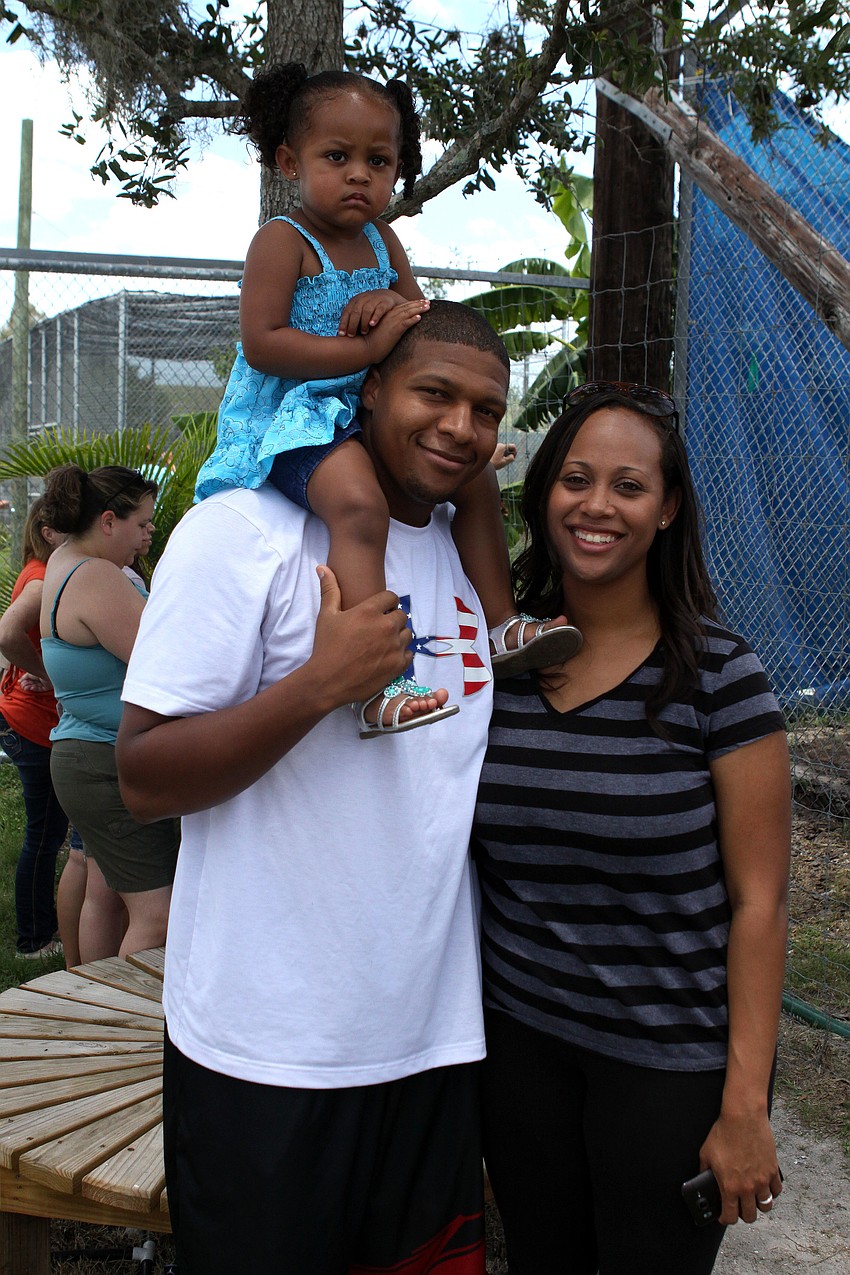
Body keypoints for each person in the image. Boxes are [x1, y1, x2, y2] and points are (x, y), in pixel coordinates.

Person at [117, 302, 511, 1275]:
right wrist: (317, 687)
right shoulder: (241, 532)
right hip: (267, 1052)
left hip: (430, 1043)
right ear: (368, 388)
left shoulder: (461, 560)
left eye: (486, 409)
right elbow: (141, 775)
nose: (461, 426)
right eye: (434, 393)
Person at [472, 382, 791, 1275]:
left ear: (668, 508)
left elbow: (759, 904)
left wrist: (744, 1105)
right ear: (542, 496)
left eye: (629, 485)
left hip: (667, 1066)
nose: (597, 506)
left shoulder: (720, 675)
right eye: (575, 479)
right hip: (520, 1047)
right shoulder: (504, 663)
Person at [194, 62, 580, 734]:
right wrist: (365, 352)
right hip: (295, 420)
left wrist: (389, 305)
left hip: (368, 409)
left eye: (378, 161)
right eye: (336, 157)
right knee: (359, 504)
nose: (359, 176)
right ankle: (374, 684)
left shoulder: (382, 239)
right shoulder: (283, 242)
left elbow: (419, 318)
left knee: (478, 482)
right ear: (290, 160)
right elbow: (264, 344)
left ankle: (500, 623)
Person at [40, 464, 180, 962]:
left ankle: (92, 999)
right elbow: (162, 662)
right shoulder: (96, 575)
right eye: (141, 523)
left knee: (105, 894)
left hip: (85, 750)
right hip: (105, 763)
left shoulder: (61, 560)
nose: (147, 536)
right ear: (107, 521)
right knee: (158, 916)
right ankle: (139, 1029)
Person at [0, 498, 68, 959]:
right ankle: (33, 939)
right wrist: (47, 671)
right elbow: (7, 634)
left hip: (27, 720)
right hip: (32, 724)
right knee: (44, 836)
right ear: (48, 532)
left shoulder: (36, 569)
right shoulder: (43, 578)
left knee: (46, 834)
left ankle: (40, 928)